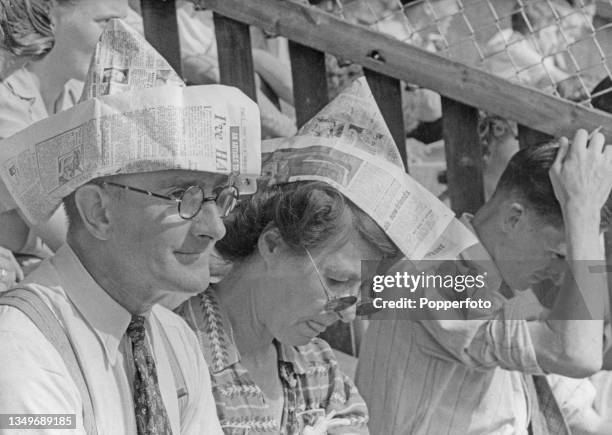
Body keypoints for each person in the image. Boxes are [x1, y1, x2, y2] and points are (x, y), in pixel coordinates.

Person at [0, 19, 263, 433]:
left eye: (218, 196)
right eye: (184, 196)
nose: (215, 228)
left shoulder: (176, 340)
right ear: (98, 212)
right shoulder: (21, 345)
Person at [174, 77, 472, 434]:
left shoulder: (319, 366)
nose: (347, 313)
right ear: (273, 244)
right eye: (337, 280)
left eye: (360, 291)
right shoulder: (176, 350)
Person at [356, 128, 612, 434]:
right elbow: (577, 354)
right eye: (559, 257)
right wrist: (581, 212)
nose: (560, 278)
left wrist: (587, 215)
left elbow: (583, 414)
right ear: (513, 219)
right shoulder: (433, 273)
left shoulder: (502, 282)